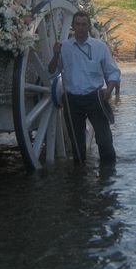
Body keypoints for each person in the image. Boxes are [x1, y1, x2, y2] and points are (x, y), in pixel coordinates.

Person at [49, 10, 120, 164]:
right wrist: (55, 55)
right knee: (76, 143)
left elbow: (113, 72)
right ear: (73, 26)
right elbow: (52, 72)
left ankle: (108, 173)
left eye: (84, 24)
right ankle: (80, 172)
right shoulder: (64, 47)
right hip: (72, 100)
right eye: (78, 24)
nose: (81, 28)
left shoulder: (100, 47)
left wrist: (109, 91)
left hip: (95, 98)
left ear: (89, 26)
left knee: (105, 140)